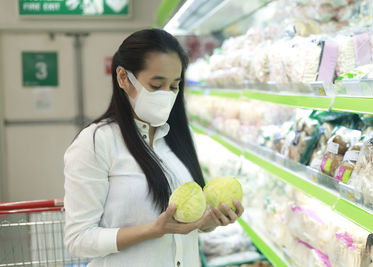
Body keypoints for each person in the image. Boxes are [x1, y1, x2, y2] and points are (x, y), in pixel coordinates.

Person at [63, 29, 244, 267]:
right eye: (156, 85)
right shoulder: (96, 142)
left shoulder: (176, 136)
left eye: (174, 86)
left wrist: (208, 221)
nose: (166, 96)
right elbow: (78, 239)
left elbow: (184, 227)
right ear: (123, 78)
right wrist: (153, 230)